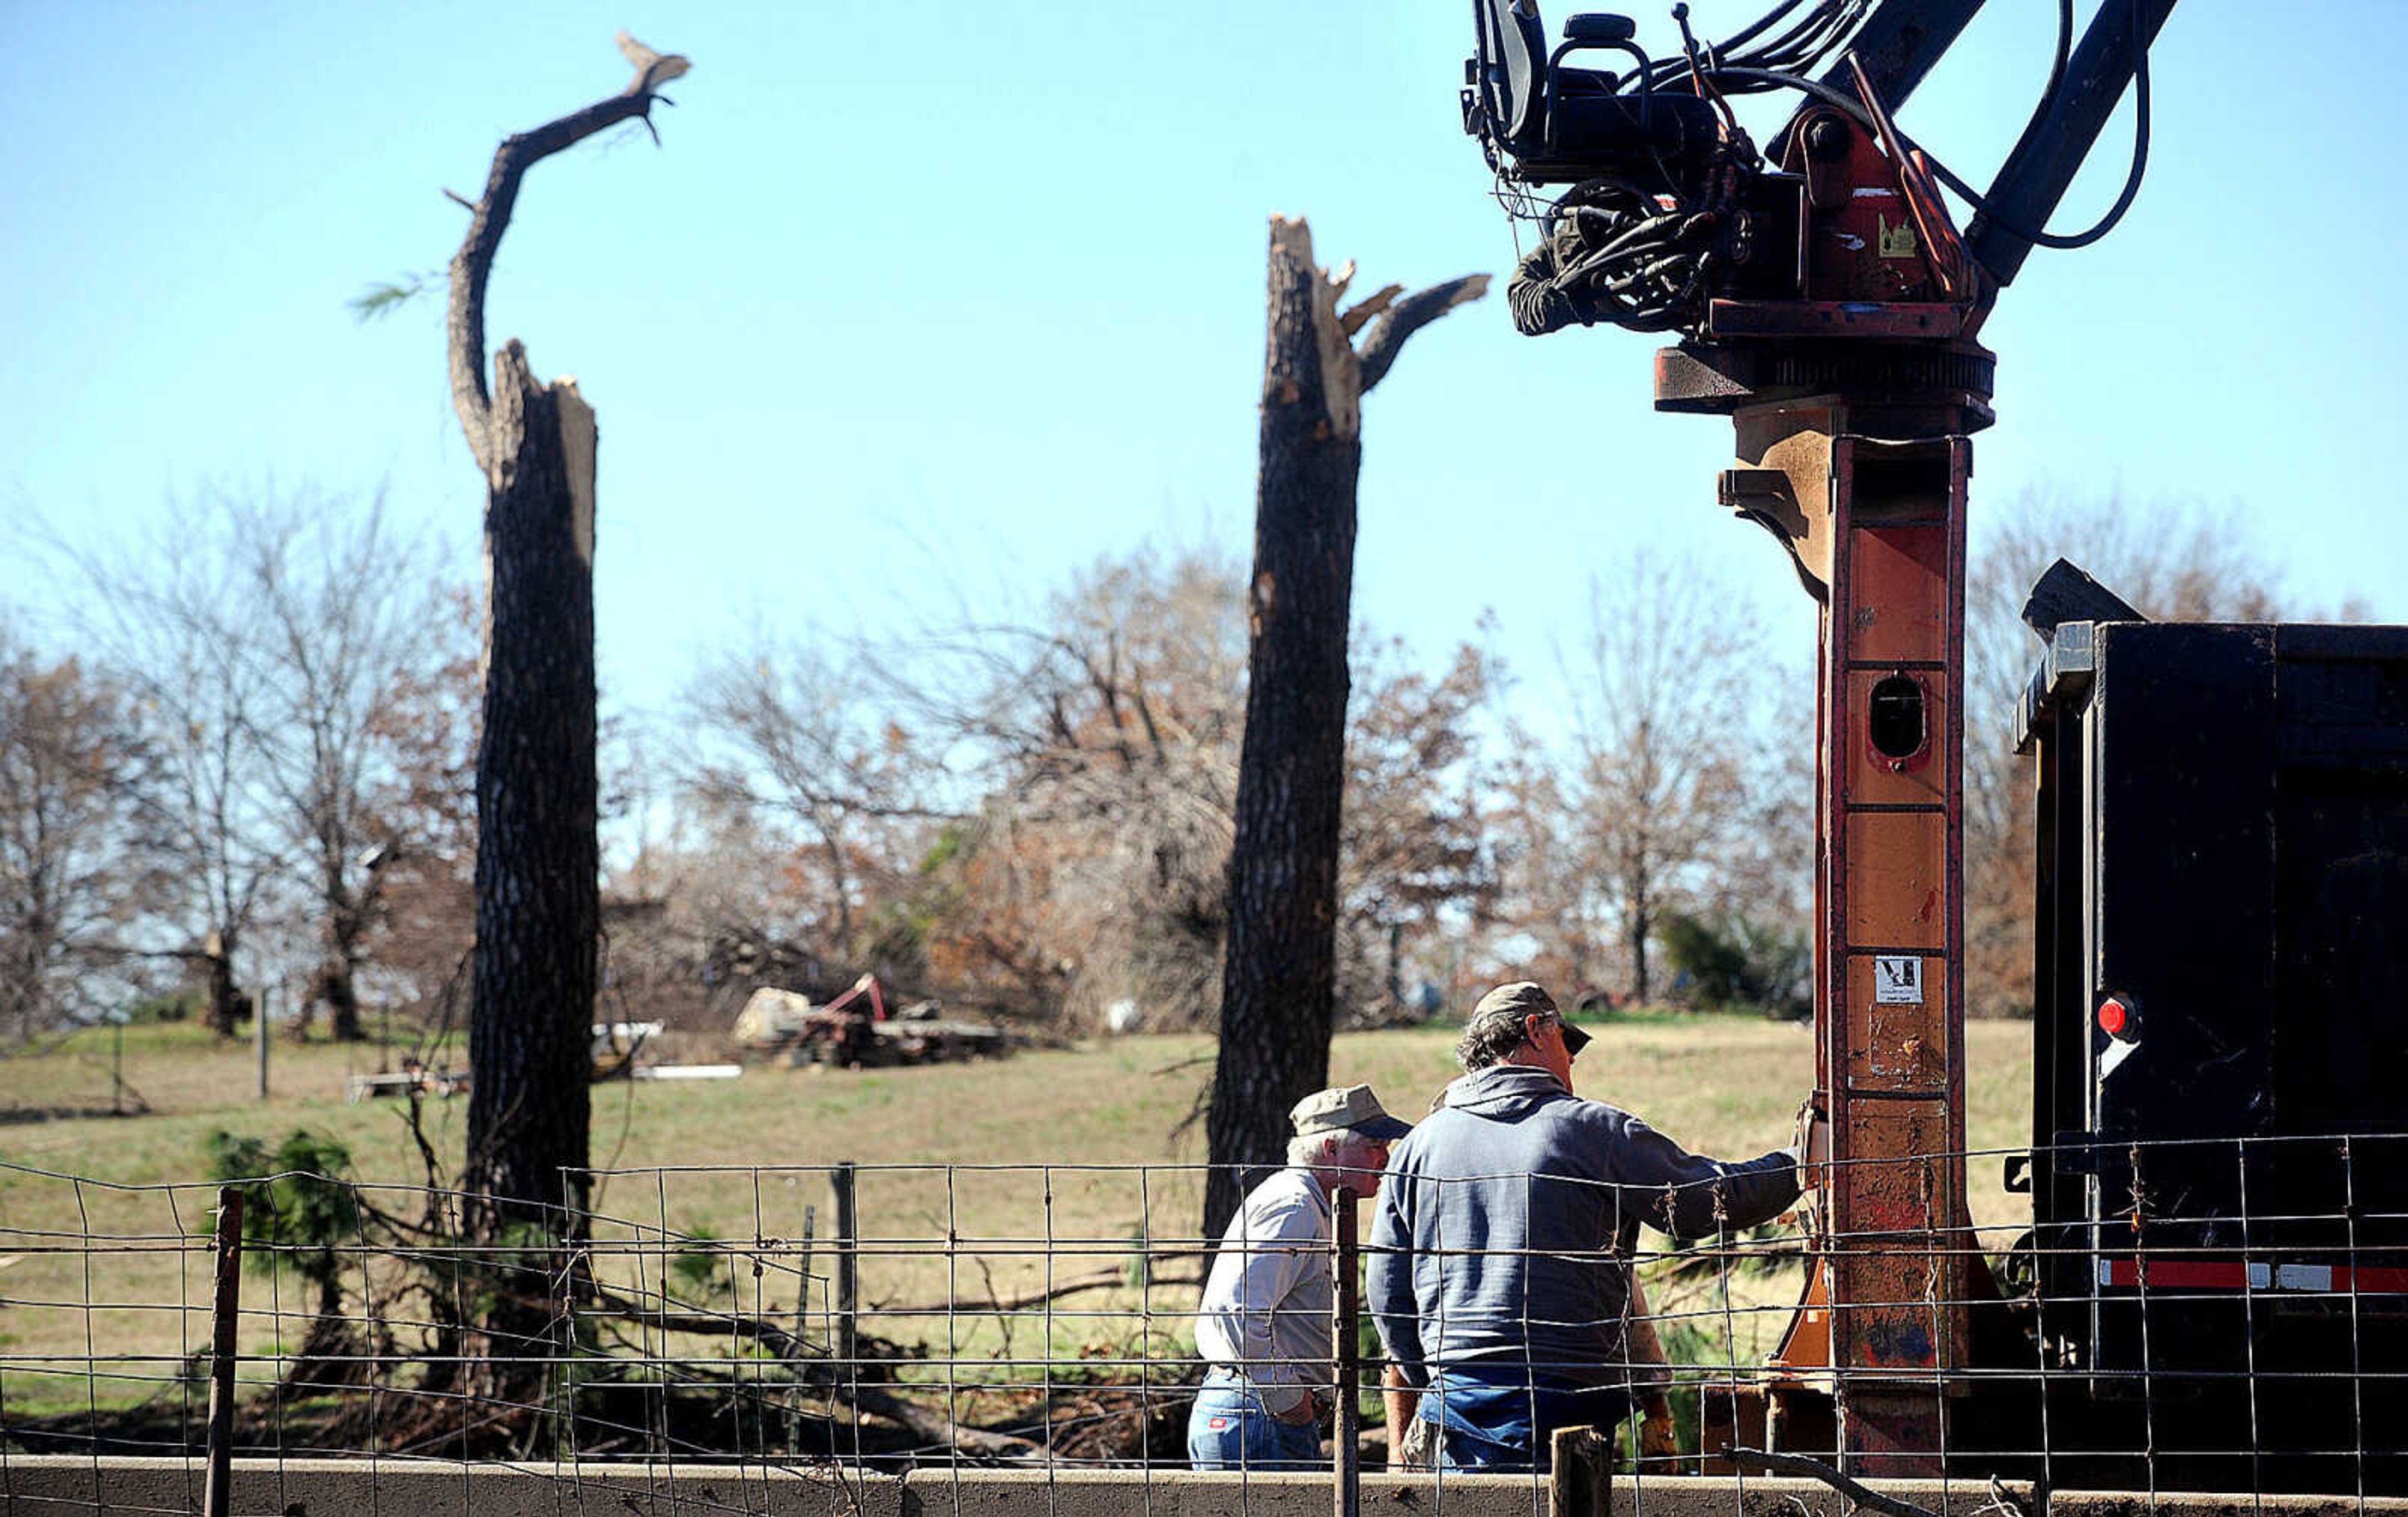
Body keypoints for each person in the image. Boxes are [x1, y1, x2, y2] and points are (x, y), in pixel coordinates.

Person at [1367, 981, 1820, 1471]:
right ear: (1536, 1030)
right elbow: (1697, 1202)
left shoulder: (1419, 1145)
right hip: (1570, 1408)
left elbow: (1387, 1292)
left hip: (1457, 1415)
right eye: (1567, 1041)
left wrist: (1438, 1378)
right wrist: (1799, 1164)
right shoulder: (1589, 1130)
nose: (1573, 1060)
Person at [1188, 1083, 1413, 1471]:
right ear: (1331, 1149)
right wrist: (1289, 1400)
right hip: (1259, 1415)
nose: (1386, 1156)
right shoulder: (1294, 1206)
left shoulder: (1307, 1202)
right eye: (1374, 1145)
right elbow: (1236, 1311)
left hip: (1253, 1411)